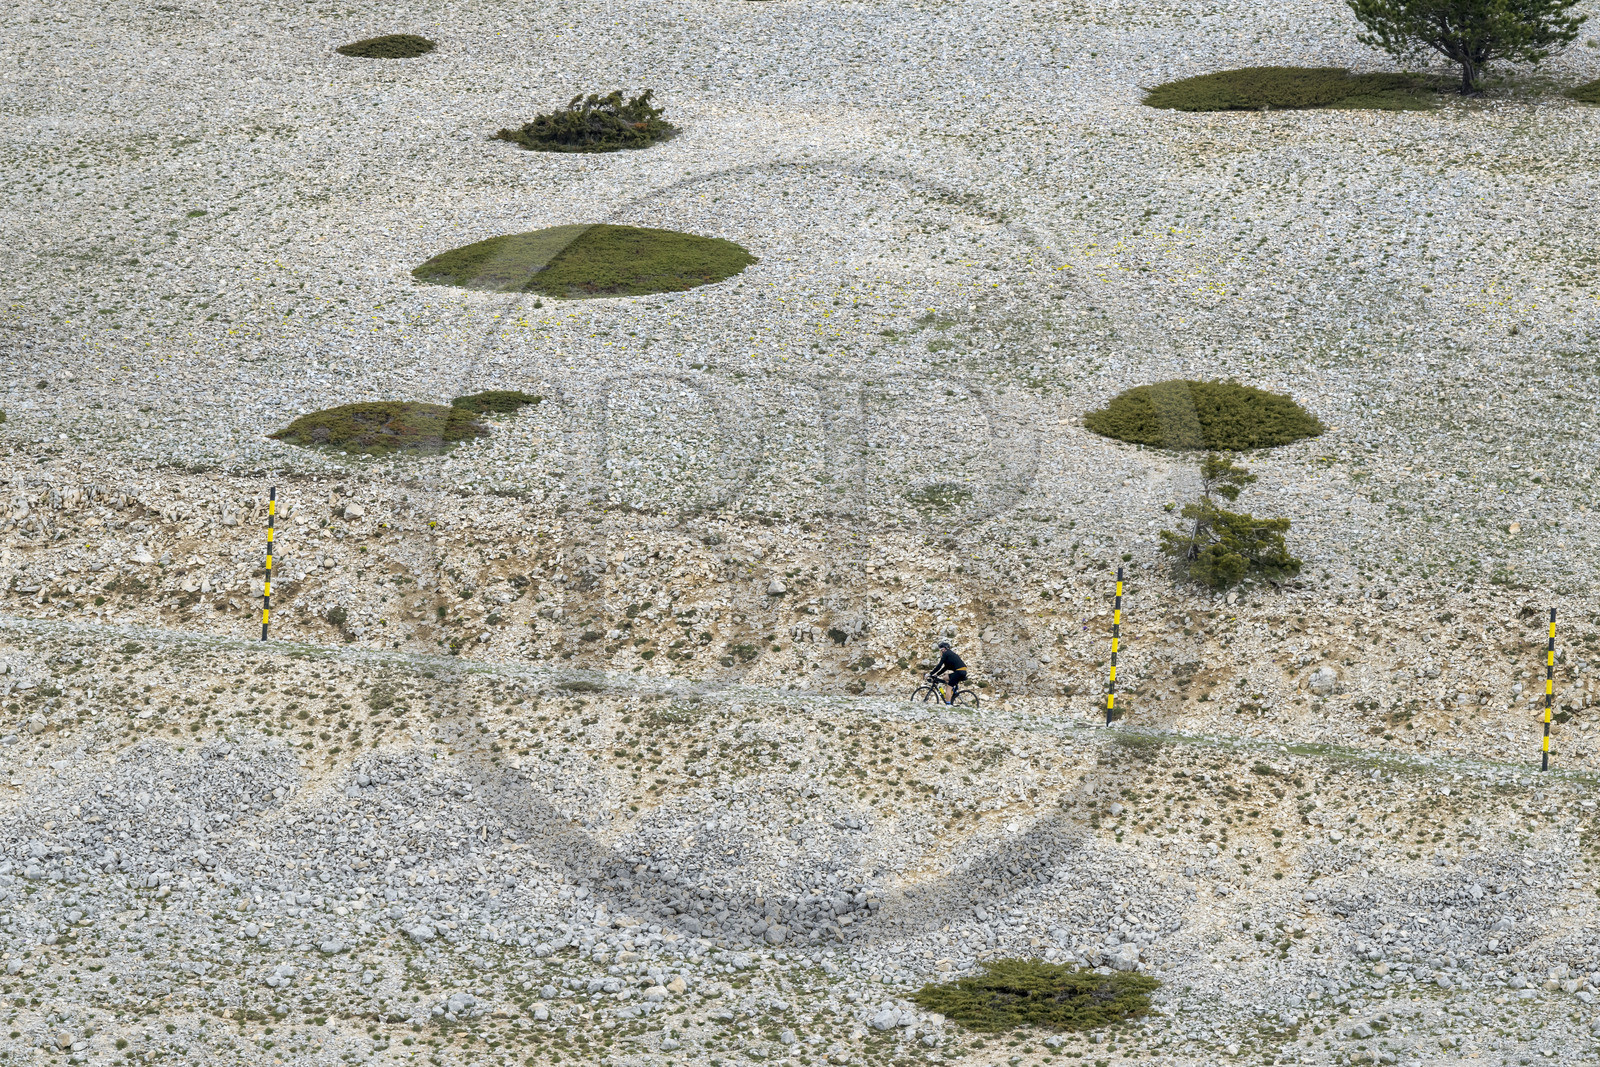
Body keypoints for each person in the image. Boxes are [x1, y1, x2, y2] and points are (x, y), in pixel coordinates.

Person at [930, 640, 967, 704]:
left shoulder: (946, 653)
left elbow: (939, 665)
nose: (940, 652)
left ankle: (948, 704)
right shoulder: (950, 654)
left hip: (959, 672)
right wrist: (937, 674)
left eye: (940, 650)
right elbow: (945, 668)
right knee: (945, 677)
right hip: (962, 671)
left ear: (943, 649)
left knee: (948, 688)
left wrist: (930, 673)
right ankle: (951, 693)